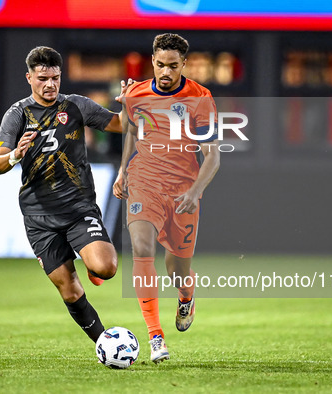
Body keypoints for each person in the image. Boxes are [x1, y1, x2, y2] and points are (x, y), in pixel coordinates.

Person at [0, 46, 129, 344]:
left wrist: (129, 107)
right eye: (42, 78)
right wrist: (16, 153)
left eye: (55, 77)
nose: (50, 84)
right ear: (29, 78)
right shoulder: (17, 115)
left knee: (106, 268)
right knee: (69, 289)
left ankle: (92, 261)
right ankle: (105, 344)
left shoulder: (76, 106)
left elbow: (119, 125)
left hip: (78, 209)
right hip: (39, 217)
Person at [114, 33, 220, 363]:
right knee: (142, 248)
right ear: (152, 61)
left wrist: (195, 190)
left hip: (183, 193)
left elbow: (213, 155)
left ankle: (186, 295)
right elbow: (131, 130)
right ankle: (155, 336)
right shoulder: (135, 93)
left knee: (177, 268)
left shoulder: (200, 98)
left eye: (173, 66)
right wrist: (123, 171)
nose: (165, 71)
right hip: (145, 183)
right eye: (160, 64)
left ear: (184, 65)